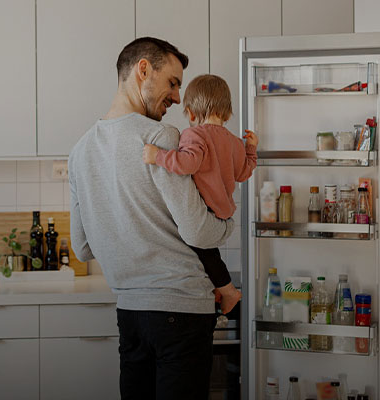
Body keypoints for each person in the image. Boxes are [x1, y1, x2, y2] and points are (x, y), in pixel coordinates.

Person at [68, 37, 234, 400]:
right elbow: (198, 230)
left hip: (130, 314)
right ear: (143, 69)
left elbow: (81, 248)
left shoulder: (79, 152)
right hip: (182, 311)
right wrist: (228, 223)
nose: (177, 97)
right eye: (173, 82)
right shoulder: (161, 137)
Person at [142, 74, 258, 314]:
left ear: (191, 113)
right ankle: (220, 287)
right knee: (205, 253)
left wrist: (158, 156)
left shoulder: (195, 135)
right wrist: (251, 149)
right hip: (224, 218)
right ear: (227, 112)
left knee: (197, 247)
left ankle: (229, 291)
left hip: (206, 216)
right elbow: (244, 173)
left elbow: (187, 164)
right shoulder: (235, 143)